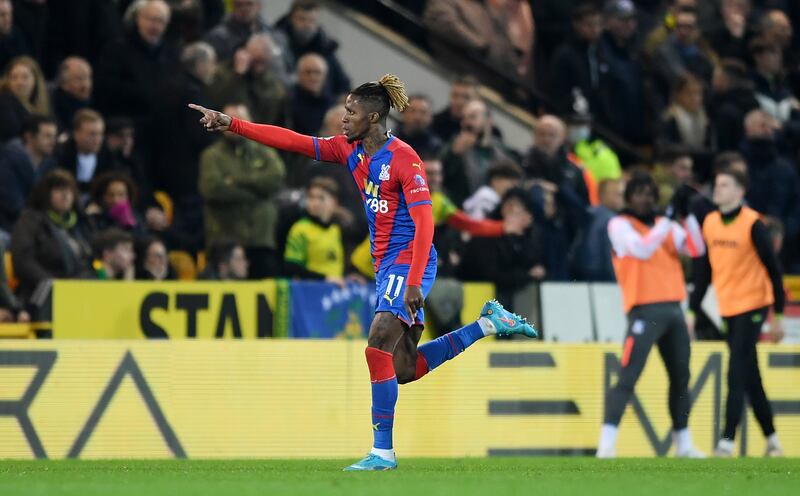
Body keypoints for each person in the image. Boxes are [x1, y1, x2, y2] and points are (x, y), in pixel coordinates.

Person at [189, 73, 537, 471]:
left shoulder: (405, 159)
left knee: (377, 342)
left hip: (409, 259)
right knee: (403, 369)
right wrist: (232, 123)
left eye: (351, 112)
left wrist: (412, 280)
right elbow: (292, 140)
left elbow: (426, 225)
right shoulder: (347, 150)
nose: (343, 118)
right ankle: (487, 325)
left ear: (373, 118)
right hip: (386, 264)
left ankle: (382, 453)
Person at [597, 172, 706, 459]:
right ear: (629, 197)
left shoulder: (664, 224)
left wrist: (687, 216)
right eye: (640, 193)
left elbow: (697, 248)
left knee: (681, 376)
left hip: (674, 309)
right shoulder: (619, 224)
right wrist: (670, 220)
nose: (646, 198)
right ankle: (606, 443)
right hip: (644, 308)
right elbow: (641, 250)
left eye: (650, 193)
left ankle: (683, 443)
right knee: (628, 376)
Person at [689, 167, 785, 457]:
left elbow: (774, 269)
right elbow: (704, 271)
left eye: (725, 185)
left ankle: (726, 441)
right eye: (717, 185)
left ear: (740, 191)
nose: (718, 190)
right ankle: (773, 440)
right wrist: (693, 311)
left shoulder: (753, 224)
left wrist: (778, 315)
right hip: (727, 307)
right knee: (750, 374)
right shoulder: (710, 223)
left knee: (735, 371)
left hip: (754, 305)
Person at [199, 103, 286, 279]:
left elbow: (276, 179)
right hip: (225, 241)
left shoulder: (264, 151)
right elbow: (213, 189)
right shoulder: (212, 156)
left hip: (261, 241)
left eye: (238, 119)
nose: (232, 124)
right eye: (228, 119)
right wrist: (258, 191)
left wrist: (235, 181)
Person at [10, 170, 93, 319]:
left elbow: (89, 261)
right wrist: (53, 283)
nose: (66, 195)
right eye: (59, 190)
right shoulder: (30, 220)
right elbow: (23, 261)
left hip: (78, 292)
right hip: (40, 293)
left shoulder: (79, 225)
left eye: (69, 190)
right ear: (46, 193)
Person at [274, 0, 351, 98]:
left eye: (312, 20)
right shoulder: (277, 44)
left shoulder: (325, 47)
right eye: (302, 19)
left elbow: (343, 84)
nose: (307, 25)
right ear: (291, 19)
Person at [0, 114, 57, 237]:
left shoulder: (49, 164)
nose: (53, 141)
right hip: (9, 226)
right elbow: (12, 205)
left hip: (36, 224)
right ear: (29, 137)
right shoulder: (7, 162)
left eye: (54, 136)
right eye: (47, 136)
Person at [284, 176, 345, 281]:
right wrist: (324, 278)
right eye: (311, 197)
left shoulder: (336, 229)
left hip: (334, 295)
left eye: (321, 198)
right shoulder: (300, 228)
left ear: (334, 202)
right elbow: (292, 268)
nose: (315, 203)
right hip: (311, 292)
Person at [55, 109, 119, 194]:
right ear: (76, 134)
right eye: (92, 134)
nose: (97, 140)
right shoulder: (61, 155)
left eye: (100, 134)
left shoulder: (108, 158)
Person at [0, 55, 49, 142]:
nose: (19, 82)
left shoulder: (40, 106)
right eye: (14, 78)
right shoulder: (5, 100)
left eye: (25, 77)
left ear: (36, 80)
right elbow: (13, 134)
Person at [51, 56, 93, 133]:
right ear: (64, 83)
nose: (86, 85)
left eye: (88, 78)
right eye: (79, 79)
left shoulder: (88, 104)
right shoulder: (52, 107)